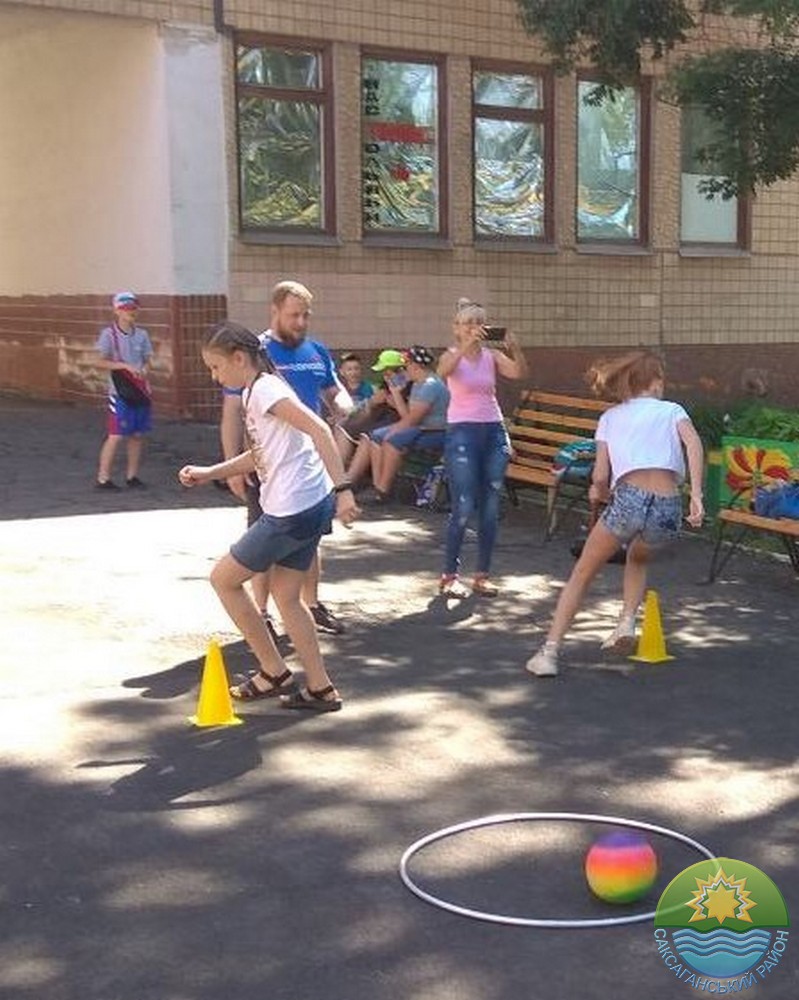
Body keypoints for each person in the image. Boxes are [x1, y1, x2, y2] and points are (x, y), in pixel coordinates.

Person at [179, 321, 359, 711]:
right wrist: (211, 472)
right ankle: (321, 689)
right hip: (308, 504)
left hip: (292, 510)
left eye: (216, 367)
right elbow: (262, 453)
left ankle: (274, 671)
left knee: (224, 579)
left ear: (238, 358)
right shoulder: (255, 390)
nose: (214, 376)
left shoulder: (265, 389)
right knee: (287, 597)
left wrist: (344, 489)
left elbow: (319, 429)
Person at [524, 350, 704, 678]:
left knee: (583, 572)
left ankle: (549, 652)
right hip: (668, 506)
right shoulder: (672, 410)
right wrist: (697, 496)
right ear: (655, 381)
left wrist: (599, 491)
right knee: (638, 557)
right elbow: (693, 443)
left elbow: (600, 476)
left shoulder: (610, 417)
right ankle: (626, 621)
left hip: (629, 499)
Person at [219, 280, 352, 636]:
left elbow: (334, 392)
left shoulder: (316, 351)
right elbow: (231, 411)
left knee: (309, 538)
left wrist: (343, 405)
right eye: (294, 315)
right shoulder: (255, 352)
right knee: (261, 541)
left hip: (311, 465)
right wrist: (231, 464)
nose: (300, 322)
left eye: (306, 315)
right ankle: (262, 612)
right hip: (267, 463)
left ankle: (312, 605)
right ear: (275, 311)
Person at [437, 300, 528, 597]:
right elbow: (443, 371)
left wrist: (515, 348)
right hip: (462, 432)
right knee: (463, 505)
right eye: (468, 323)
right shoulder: (451, 354)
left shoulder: (492, 356)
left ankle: (482, 575)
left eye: (479, 322)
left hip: (493, 430)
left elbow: (518, 372)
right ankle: (450, 576)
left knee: (490, 507)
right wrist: (466, 346)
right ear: (457, 328)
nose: (474, 328)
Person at [348, 346, 449, 503]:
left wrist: (394, 430)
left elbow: (414, 419)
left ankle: (383, 491)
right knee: (376, 436)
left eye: (407, 364)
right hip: (420, 427)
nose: (404, 369)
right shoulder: (418, 383)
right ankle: (377, 487)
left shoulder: (430, 385)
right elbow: (407, 415)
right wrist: (395, 392)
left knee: (392, 441)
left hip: (434, 430)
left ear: (416, 365)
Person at [95, 291, 154, 489]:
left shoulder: (142, 335)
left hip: (140, 390)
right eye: (126, 309)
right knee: (116, 435)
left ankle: (132, 476)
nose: (130, 312)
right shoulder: (109, 335)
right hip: (120, 392)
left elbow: (148, 359)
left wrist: (145, 368)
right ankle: (103, 477)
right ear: (117, 311)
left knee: (137, 434)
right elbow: (99, 361)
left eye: (133, 309)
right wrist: (124, 366)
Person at [335, 349, 408, 466]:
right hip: (374, 420)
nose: (385, 375)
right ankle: (337, 470)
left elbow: (407, 416)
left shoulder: (371, 387)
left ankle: (348, 474)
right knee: (342, 426)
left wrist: (393, 398)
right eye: (349, 369)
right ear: (341, 372)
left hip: (386, 425)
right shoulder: (339, 389)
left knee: (368, 436)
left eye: (356, 368)